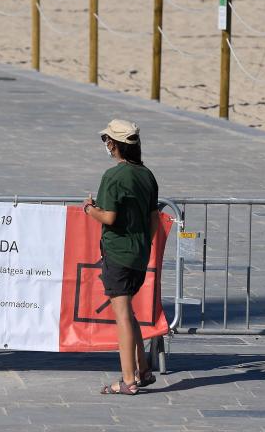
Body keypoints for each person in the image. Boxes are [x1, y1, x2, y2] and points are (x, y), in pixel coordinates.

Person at [83, 119, 160, 396]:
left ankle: (128, 380)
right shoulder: (147, 175)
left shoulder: (114, 177)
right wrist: (142, 244)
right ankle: (144, 369)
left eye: (107, 140)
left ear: (113, 145)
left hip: (118, 252)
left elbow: (109, 217)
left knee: (122, 316)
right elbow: (154, 219)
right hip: (139, 252)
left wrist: (89, 209)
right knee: (129, 313)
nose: (106, 145)